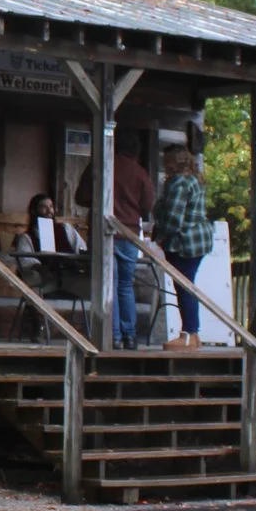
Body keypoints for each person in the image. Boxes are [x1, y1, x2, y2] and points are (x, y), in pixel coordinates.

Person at [153, 145, 217, 350]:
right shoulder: (195, 180)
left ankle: (189, 334)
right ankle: (193, 334)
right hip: (199, 239)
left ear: (172, 161)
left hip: (184, 243)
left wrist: (159, 238)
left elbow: (173, 219)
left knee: (184, 287)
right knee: (186, 285)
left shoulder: (179, 184)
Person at [111, 133, 156, 350]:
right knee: (125, 285)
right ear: (136, 151)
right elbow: (148, 204)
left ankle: (114, 336)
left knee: (109, 284)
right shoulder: (140, 172)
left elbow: (81, 197)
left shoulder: (103, 165)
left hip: (106, 232)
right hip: (129, 233)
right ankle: (129, 335)